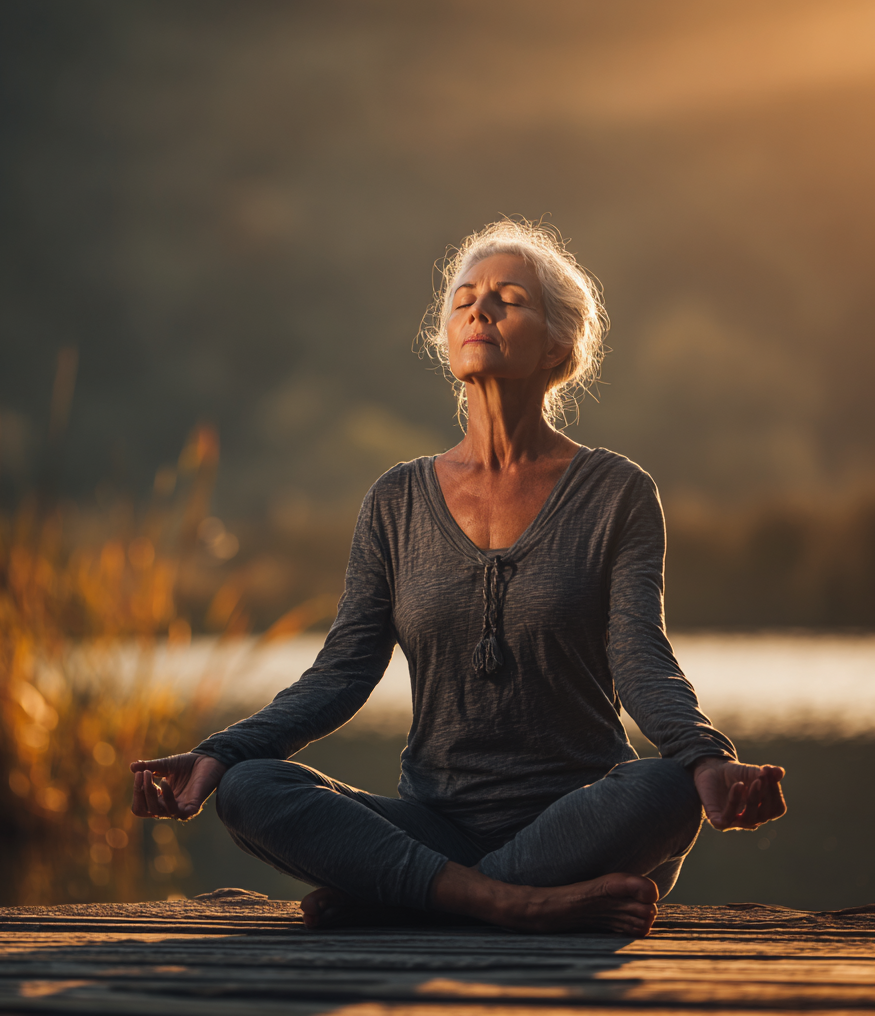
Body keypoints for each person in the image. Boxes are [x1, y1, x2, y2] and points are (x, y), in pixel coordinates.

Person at [130, 218, 786, 937]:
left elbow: (641, 658)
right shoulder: (396, 500)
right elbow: (341, 673)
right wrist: (222, 751)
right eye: (465, 298)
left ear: (560, 345)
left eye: (509, 298)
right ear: (447, 337)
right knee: (251, 788)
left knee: (665, 789)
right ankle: (514, 904)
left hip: (579, 826)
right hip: (435, 823)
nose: (480, 309)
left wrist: (704, 755)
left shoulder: (615, 493)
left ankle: (401, 896)